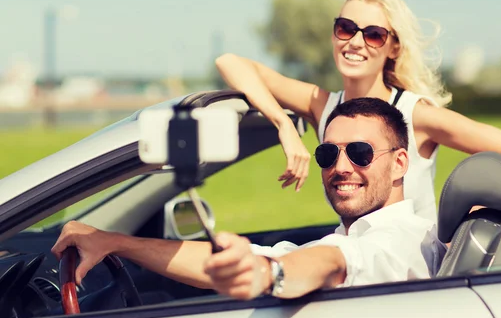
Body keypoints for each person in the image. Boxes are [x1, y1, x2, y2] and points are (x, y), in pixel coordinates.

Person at [215, 0, 501, 224]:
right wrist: (283, 124)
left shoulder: (416, 114)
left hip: (411, 275)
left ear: (393, 48)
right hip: (362, 263)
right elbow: (230, 62)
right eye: (345, 28)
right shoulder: (323, 106)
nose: (355, 42)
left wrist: (466, 222)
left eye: (373, 34)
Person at [51, 97, 443, 301]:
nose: (340, 167)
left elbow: (334, 264)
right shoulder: (357, 233)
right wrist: (115, 242)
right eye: (327, 154)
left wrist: (266, 275)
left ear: (399, 164)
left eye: (360, 152)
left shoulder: (398, 241)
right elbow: (244, 261)